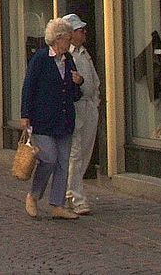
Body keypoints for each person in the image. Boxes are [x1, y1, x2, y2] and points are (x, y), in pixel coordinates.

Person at [20, 16, 84, 220]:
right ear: (58, 39)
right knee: (48, 159)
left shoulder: (69, 59)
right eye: (67, 38)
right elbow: (29, 87)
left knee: (63, 163)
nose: (70, 41)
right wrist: (25, 115)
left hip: (64, 119)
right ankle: (33, 195)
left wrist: (78, 81)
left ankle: (57, 204)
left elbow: (75, 94)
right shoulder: (40, 59)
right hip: (43, 120)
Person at [64, 13, 100, 215]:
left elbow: (94, 80)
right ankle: (75, 196)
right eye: (80, 31)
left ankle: (73, 192)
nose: (84, 33)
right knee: (75, 153)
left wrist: (95, 101)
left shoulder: (85, 53)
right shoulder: (65, 55)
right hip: (75, 108)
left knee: (84, 151)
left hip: (88, 107)